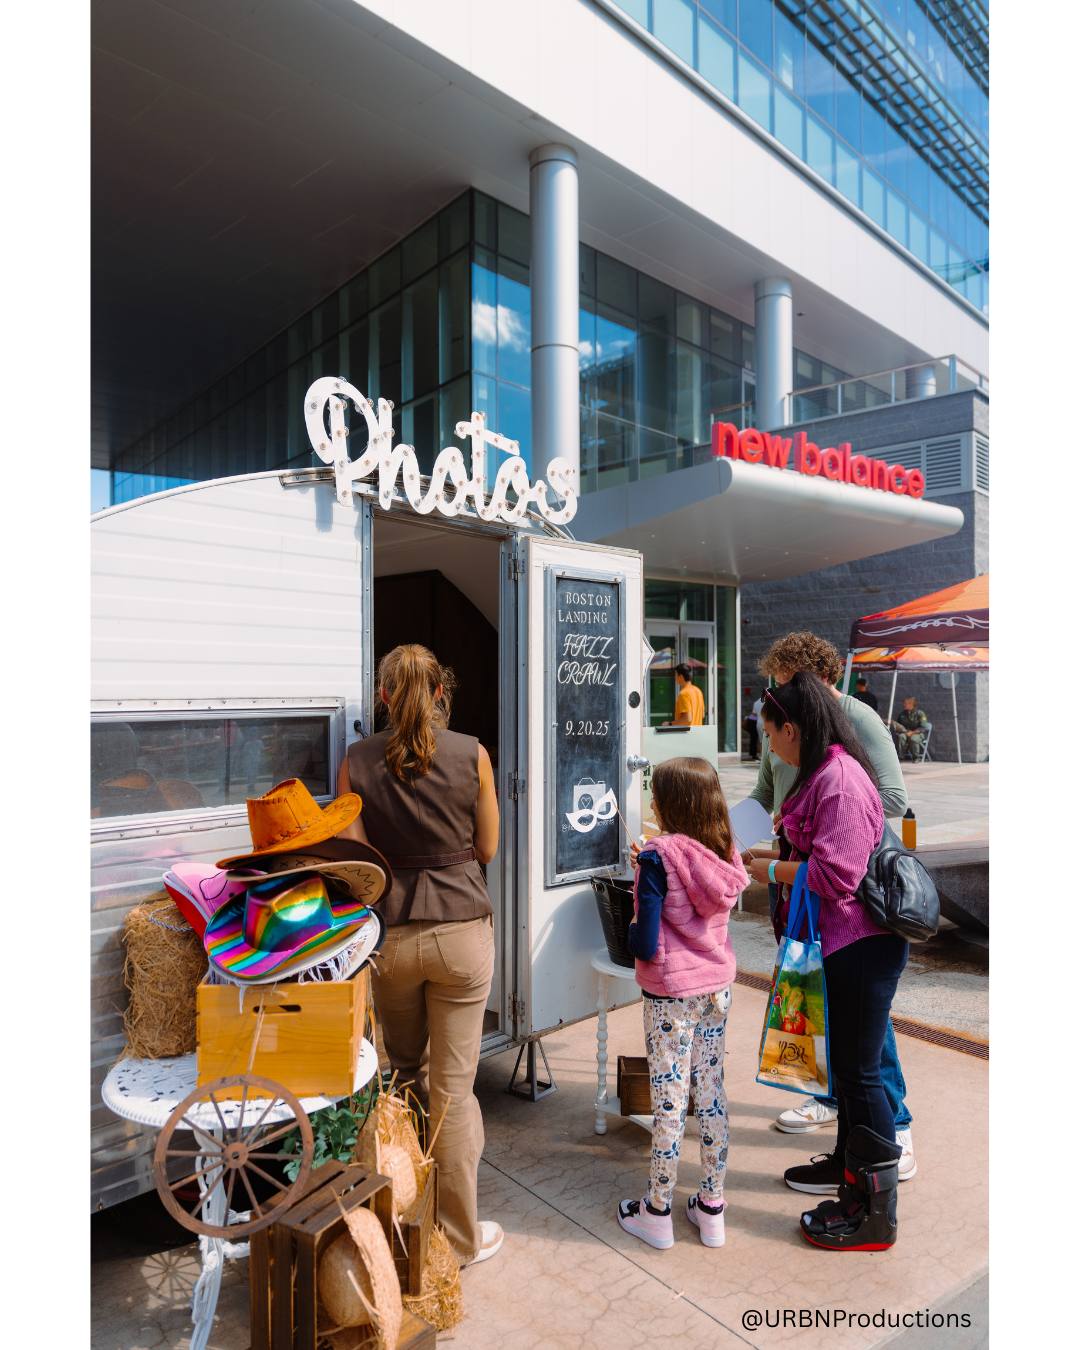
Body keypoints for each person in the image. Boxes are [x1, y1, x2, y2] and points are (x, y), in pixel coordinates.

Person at [336, 644, 503, 1266]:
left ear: (383, 696)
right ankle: (458, 1240)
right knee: (454, 1091)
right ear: (440, 693)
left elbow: (358, 868)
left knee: (404, 1074)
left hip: (393, 936)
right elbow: (487, 847)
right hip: (462, 931)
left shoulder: (355, 762)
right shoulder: (474, 753)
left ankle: (405, 1223)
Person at [745, 632, 915, 1181]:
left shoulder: (840, 771)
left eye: (771, 736)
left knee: (863, 1062)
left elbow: (840, 870)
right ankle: (849, 1165)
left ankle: (879, 1177)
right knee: (844, 1055)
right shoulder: (818, 762)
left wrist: (780, 863)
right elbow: (770, 801)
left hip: (855, 930)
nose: (769, 748)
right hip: (826, 926)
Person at [615, 758, 748, 1252]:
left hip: (671, 997)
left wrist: (633, 917)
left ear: (671, 805)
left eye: (657, 795)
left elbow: (646, 944)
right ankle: (711, 1208)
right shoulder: (723, 852)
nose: (651, 803)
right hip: (717, 990)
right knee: (710, 1092)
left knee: (670, 1102)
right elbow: (691, 894)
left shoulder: (657, 857)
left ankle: (656, 1212)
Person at [744, 692, 763, 760]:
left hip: (759, 723)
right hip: (766, 722)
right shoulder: (769, 701)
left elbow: (754, 714)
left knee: (761, 741)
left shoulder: (757, 702)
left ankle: (761, 756)